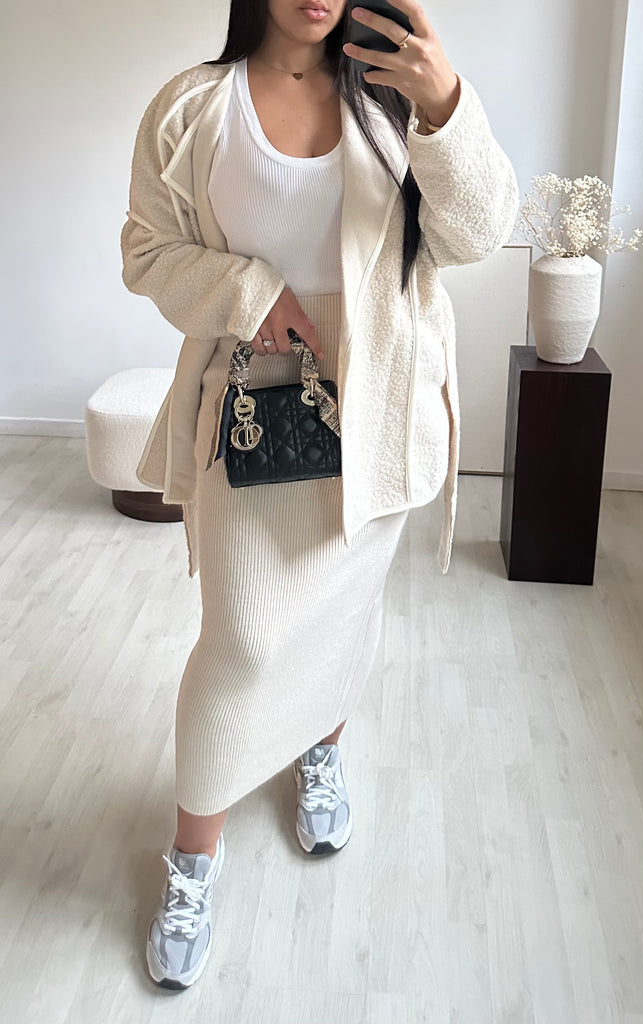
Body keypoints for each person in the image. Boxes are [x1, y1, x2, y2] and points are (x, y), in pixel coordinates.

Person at [120, 0, 519, 990]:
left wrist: (445, 103)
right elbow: (146, 251)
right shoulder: (193, 107)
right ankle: (194, 860)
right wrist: (252, 294)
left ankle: (320, 750)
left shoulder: (394, 99)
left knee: (342, 614)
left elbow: (478, 234)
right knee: (243, 638)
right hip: (253, 400)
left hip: (381, 402)